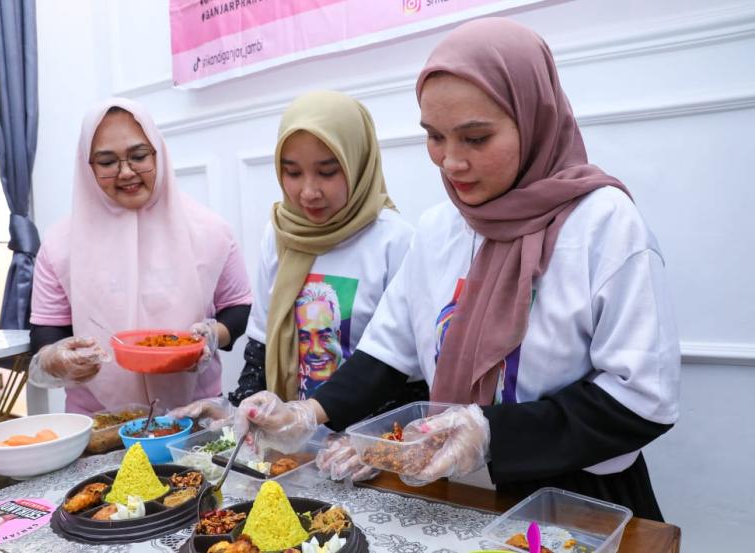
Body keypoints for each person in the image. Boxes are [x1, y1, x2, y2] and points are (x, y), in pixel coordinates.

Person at [234, 19, 680, 521]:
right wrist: (307, 414)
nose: (450, 162)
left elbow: (642, 397)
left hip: (578, 498)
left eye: (475, 138)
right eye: (435, 137)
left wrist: (492, 432)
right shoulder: (440, 229)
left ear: (534, 118)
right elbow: (385, 354)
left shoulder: (604, 225)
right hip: (458, 490)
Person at [170, 90, 426, 437]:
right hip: (292, 446)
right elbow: (260, 349)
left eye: (327, 172)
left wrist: (377, 443)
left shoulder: (394, 241)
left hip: (367, 444)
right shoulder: (280, 236)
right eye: (292, 172)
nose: (308, 192)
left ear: (359, 163)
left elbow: (403, 368)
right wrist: (240, 407)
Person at [29, 97, 253, 413]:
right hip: (98, 418)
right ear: (87, 166)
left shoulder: (211, 230)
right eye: (107, 162)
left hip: (194, 413)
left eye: (138, 156)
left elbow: (239, 308)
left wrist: (212, 336)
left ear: (158, 153)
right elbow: (47, 329)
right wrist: (56, 357)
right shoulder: (59, 244)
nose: (126, 173)